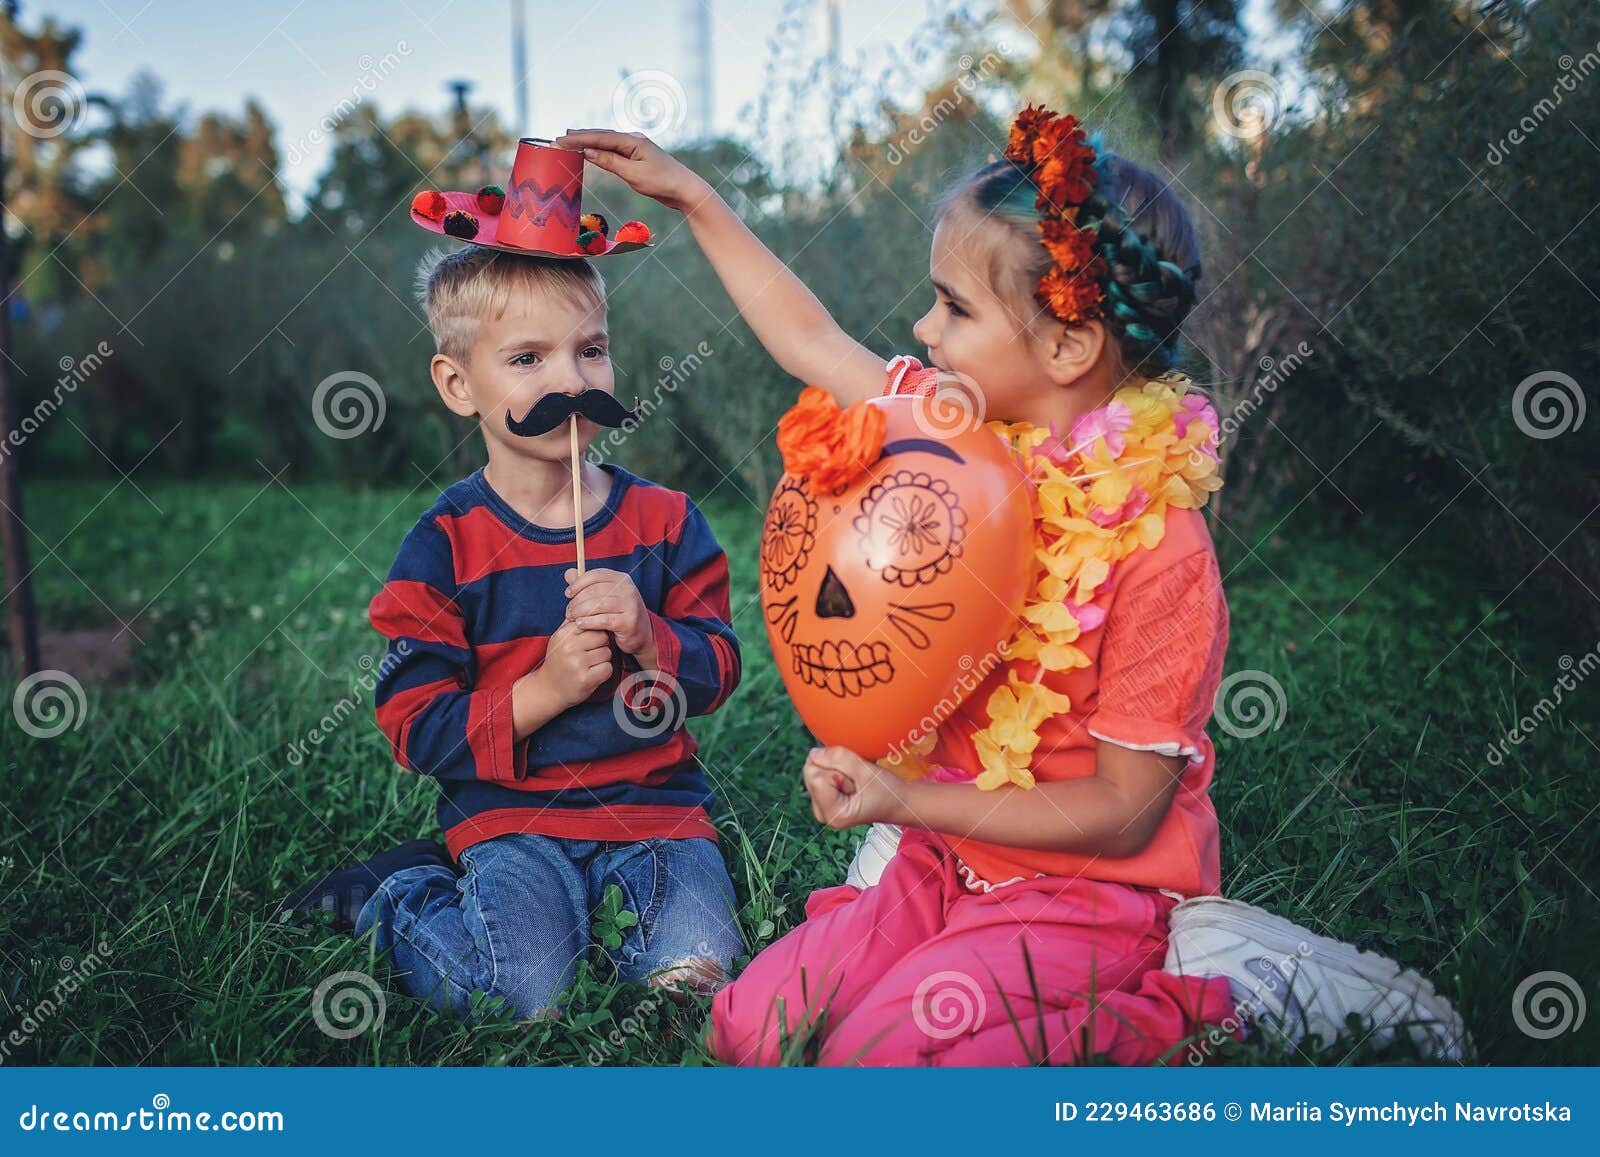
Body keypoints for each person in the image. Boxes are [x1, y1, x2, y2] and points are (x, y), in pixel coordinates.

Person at [555, 106, 1466, 1063]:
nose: (921, 327)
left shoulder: (1162, 548)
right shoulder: (948, 426)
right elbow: (813, 342)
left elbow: (1124, 809)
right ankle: (916, 917)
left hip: (1089, 887)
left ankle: (1221, 993)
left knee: (887, 1064)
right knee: (751, 1026)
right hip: (946, 853)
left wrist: (905, 800)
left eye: (953, 307)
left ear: (1068, 347)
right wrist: (694, 197)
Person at [281, 154, 745, 1020]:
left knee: (695, 979)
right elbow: (416, 725)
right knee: (520, 995)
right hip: (511, 819)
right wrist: (540, 692)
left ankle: (635, 927)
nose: (570, 382)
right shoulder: (446, 546)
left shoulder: (667, 522)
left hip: (656, 813)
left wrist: (651, 638)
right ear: (459, 384)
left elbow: (718, 668)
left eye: (591, 350)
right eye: (528, 358)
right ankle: (401, 892)